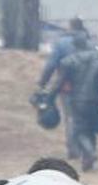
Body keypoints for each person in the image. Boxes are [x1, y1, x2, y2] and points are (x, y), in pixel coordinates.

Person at [36, 17, 90, 161]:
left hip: (68, 86)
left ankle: (74, 150)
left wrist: (43, 82)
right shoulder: (90, 42)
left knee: (71, 117)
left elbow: (51, 65)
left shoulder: (62, 43)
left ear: (70, 27)